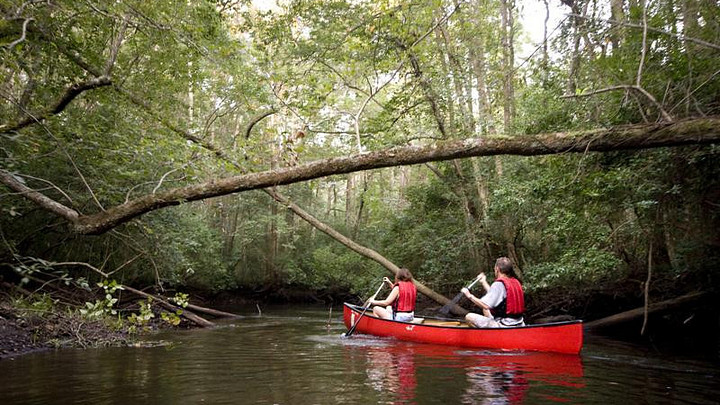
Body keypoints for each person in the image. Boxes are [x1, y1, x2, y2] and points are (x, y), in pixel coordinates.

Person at [461, 257, 525, 328]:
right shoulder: (515, 281)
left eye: (494, 268)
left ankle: (488, 336)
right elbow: (494, 295)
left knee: (469, 317)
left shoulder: (499, 284)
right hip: (519, 323)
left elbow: (485, 305)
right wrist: (483, 282)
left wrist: (469, 295)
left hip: (505, 325)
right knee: (486, 310)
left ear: (497, 269)